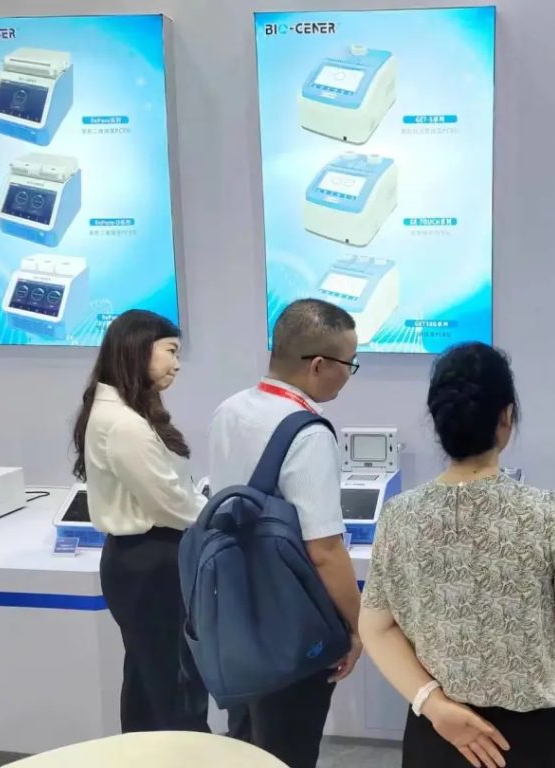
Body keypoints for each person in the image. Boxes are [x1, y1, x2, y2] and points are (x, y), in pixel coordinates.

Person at [359, 342, 555, 768]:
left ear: (437, 421)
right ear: (506, 417)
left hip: (437, 733)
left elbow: (375, 626)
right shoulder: (547, 514)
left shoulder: (399, 515)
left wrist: (432, 702)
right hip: (529, 740)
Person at [207, 299, 362, 768]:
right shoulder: (308, 433)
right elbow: (324, 550)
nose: (348, 376)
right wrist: (358, 627)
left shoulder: (229, 409)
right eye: (349, 364)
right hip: (289, 618)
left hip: (233, 606)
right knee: (288, 748)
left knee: (243, 742)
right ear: (319, 365)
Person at [72, 309, 208, 734]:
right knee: (171, 680)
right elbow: (169, 502)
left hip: (139, 561)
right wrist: (213, 514)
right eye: (170, 351)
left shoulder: (117, 410)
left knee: (148, 678)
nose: (177, 364)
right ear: (138, 349)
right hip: (152, 561)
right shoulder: (124, 424)